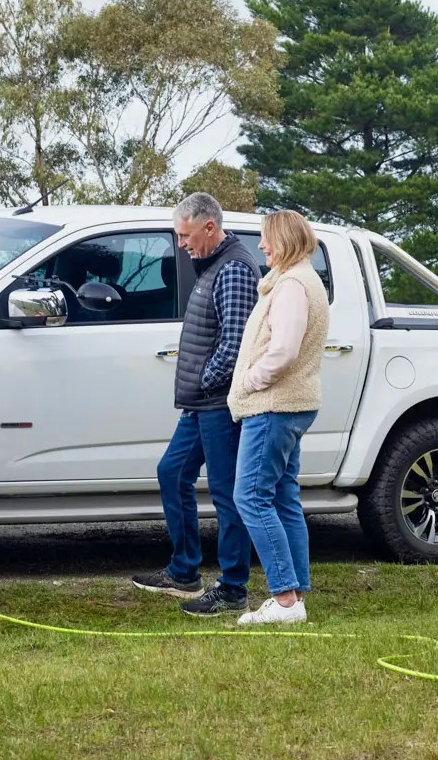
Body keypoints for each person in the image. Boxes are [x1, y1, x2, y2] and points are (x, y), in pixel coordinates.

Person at [131, 192, 262, 615]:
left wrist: (205, 380)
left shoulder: (234, 269)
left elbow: (235, 342)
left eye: (185, 235)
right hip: (200, 404)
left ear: (210, 226)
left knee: (227, 495)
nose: (181, 243)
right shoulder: (210, 265)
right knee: (172, 472)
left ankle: (233, 588)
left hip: (219, 403)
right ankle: (184, 571)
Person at [227, 210, 329, 626]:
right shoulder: (302, 280)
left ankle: (284, 599)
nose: (262, 246)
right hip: (291, 405)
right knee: (284, 497)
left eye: (267, 239)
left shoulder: (291, 286)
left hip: (274, 405)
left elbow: (284, 351)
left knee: (250, 497)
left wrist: (250, 379)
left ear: (284, 240)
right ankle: (295, 596)